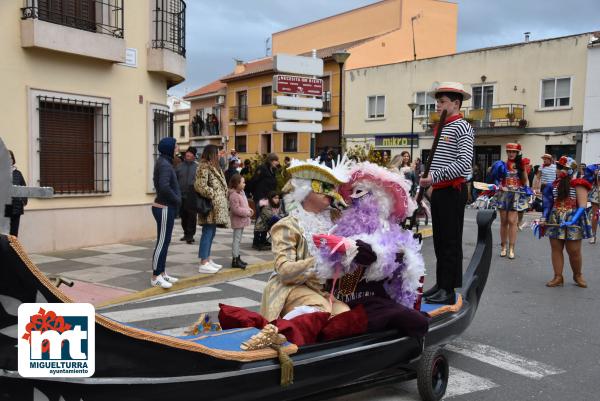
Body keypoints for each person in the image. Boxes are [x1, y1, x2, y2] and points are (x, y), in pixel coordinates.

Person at [260, 156, 363, 321]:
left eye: (332, 187)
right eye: (322, 186)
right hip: (292, 288)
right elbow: (285, 272)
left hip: (323, 290)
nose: (329, 192)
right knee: (318, 312)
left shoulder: (337, 219)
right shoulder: (288, 225)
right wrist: (318, 261)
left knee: (344, 315)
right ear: (306, 189)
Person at [419, 82, 474, 305]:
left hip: (453, 190)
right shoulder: (442, 127)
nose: (438, 106)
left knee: (451, 241)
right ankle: (441, 284)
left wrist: (434, 177)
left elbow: (463, 163)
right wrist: (430, 182)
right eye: (437, 102)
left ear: (456, 104)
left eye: (442, 102)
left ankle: (449, 289)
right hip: (440, 191)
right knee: (440, 241)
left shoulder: (462, 127)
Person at [540, 156, 591, 287]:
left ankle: (577, 275)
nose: (558, 170)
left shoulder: (579, 183)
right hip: (555, 217)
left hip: (573, 218)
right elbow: (548, 203)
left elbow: (582, 206)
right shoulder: (553, 185)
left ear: (569, 170)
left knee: (573, 250)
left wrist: (572, 220)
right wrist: (543, 218)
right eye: (558, 167)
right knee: (556, 248)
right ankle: (558, 277)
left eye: (561, 167)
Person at [488, 143, 531, 259]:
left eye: (514, 152)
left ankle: (512, 248)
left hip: (516, 195)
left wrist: (527, 189)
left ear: (517, 153)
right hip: (503, 194)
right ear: (507, 152)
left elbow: (525, 181)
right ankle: (503, 247)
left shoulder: (521, 166)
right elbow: (495, 179)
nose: (511, 154)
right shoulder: (501, 165)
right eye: (509, 151)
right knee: (504, 221)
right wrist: (500, 186)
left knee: (512, 221)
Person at [151, 137, 182, 289]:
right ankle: (156, 276)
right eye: (176, 145)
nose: (178, 147)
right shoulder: (164, 164)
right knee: (162, 242)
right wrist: (176, 199)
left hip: (166, 207)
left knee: (165, 241)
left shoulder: (165, 162)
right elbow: (163, 187)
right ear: (169, 147)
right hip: (163, 207)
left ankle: (162, 273)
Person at [195, 144, 230, 274]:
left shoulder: (215, 166)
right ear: (212, 154)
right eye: (218, 153)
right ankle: (203, 262)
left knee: (211, 233)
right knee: (207, 232)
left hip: (216, 207)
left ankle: (207, 259)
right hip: (210, 206)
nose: (220, 154)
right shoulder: (204, 166)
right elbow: (200, 186)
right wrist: (214, 194)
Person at [228, 174, 253, 269]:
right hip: (238, 220)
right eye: (243, 182)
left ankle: (237, 257)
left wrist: (249, 209)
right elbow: (236, 209)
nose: (245, 184)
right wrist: (247, 212)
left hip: (242, 220)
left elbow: (245, 204)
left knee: (238, 240)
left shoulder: (241, 193)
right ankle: (235, 259)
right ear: (236, 184)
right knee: (236, 240)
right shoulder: (234, 195)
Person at [175, 146, 198, 244]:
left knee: (192, 216)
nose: (188, 154)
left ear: (194, 156)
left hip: (193, 195)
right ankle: (186, 233)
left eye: (190, 153)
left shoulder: (197, 167)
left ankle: (190, 235)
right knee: (183, 216)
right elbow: (174, 179)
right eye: (187, 153)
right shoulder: (179, 166)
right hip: (181, 195)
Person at [7, 150, 27, 237]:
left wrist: (23, 201)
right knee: (3, 236)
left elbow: (24, 188)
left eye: (10, 158)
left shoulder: (18, 174)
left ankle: (12, 251)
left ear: (13, 160)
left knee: (14, 235)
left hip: (16, 208)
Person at [584, 164, 599, 244]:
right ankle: (593, 236)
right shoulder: (595, 167)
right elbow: (587, 179)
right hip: (596, 193)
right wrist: (594, 174)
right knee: (595, 215)